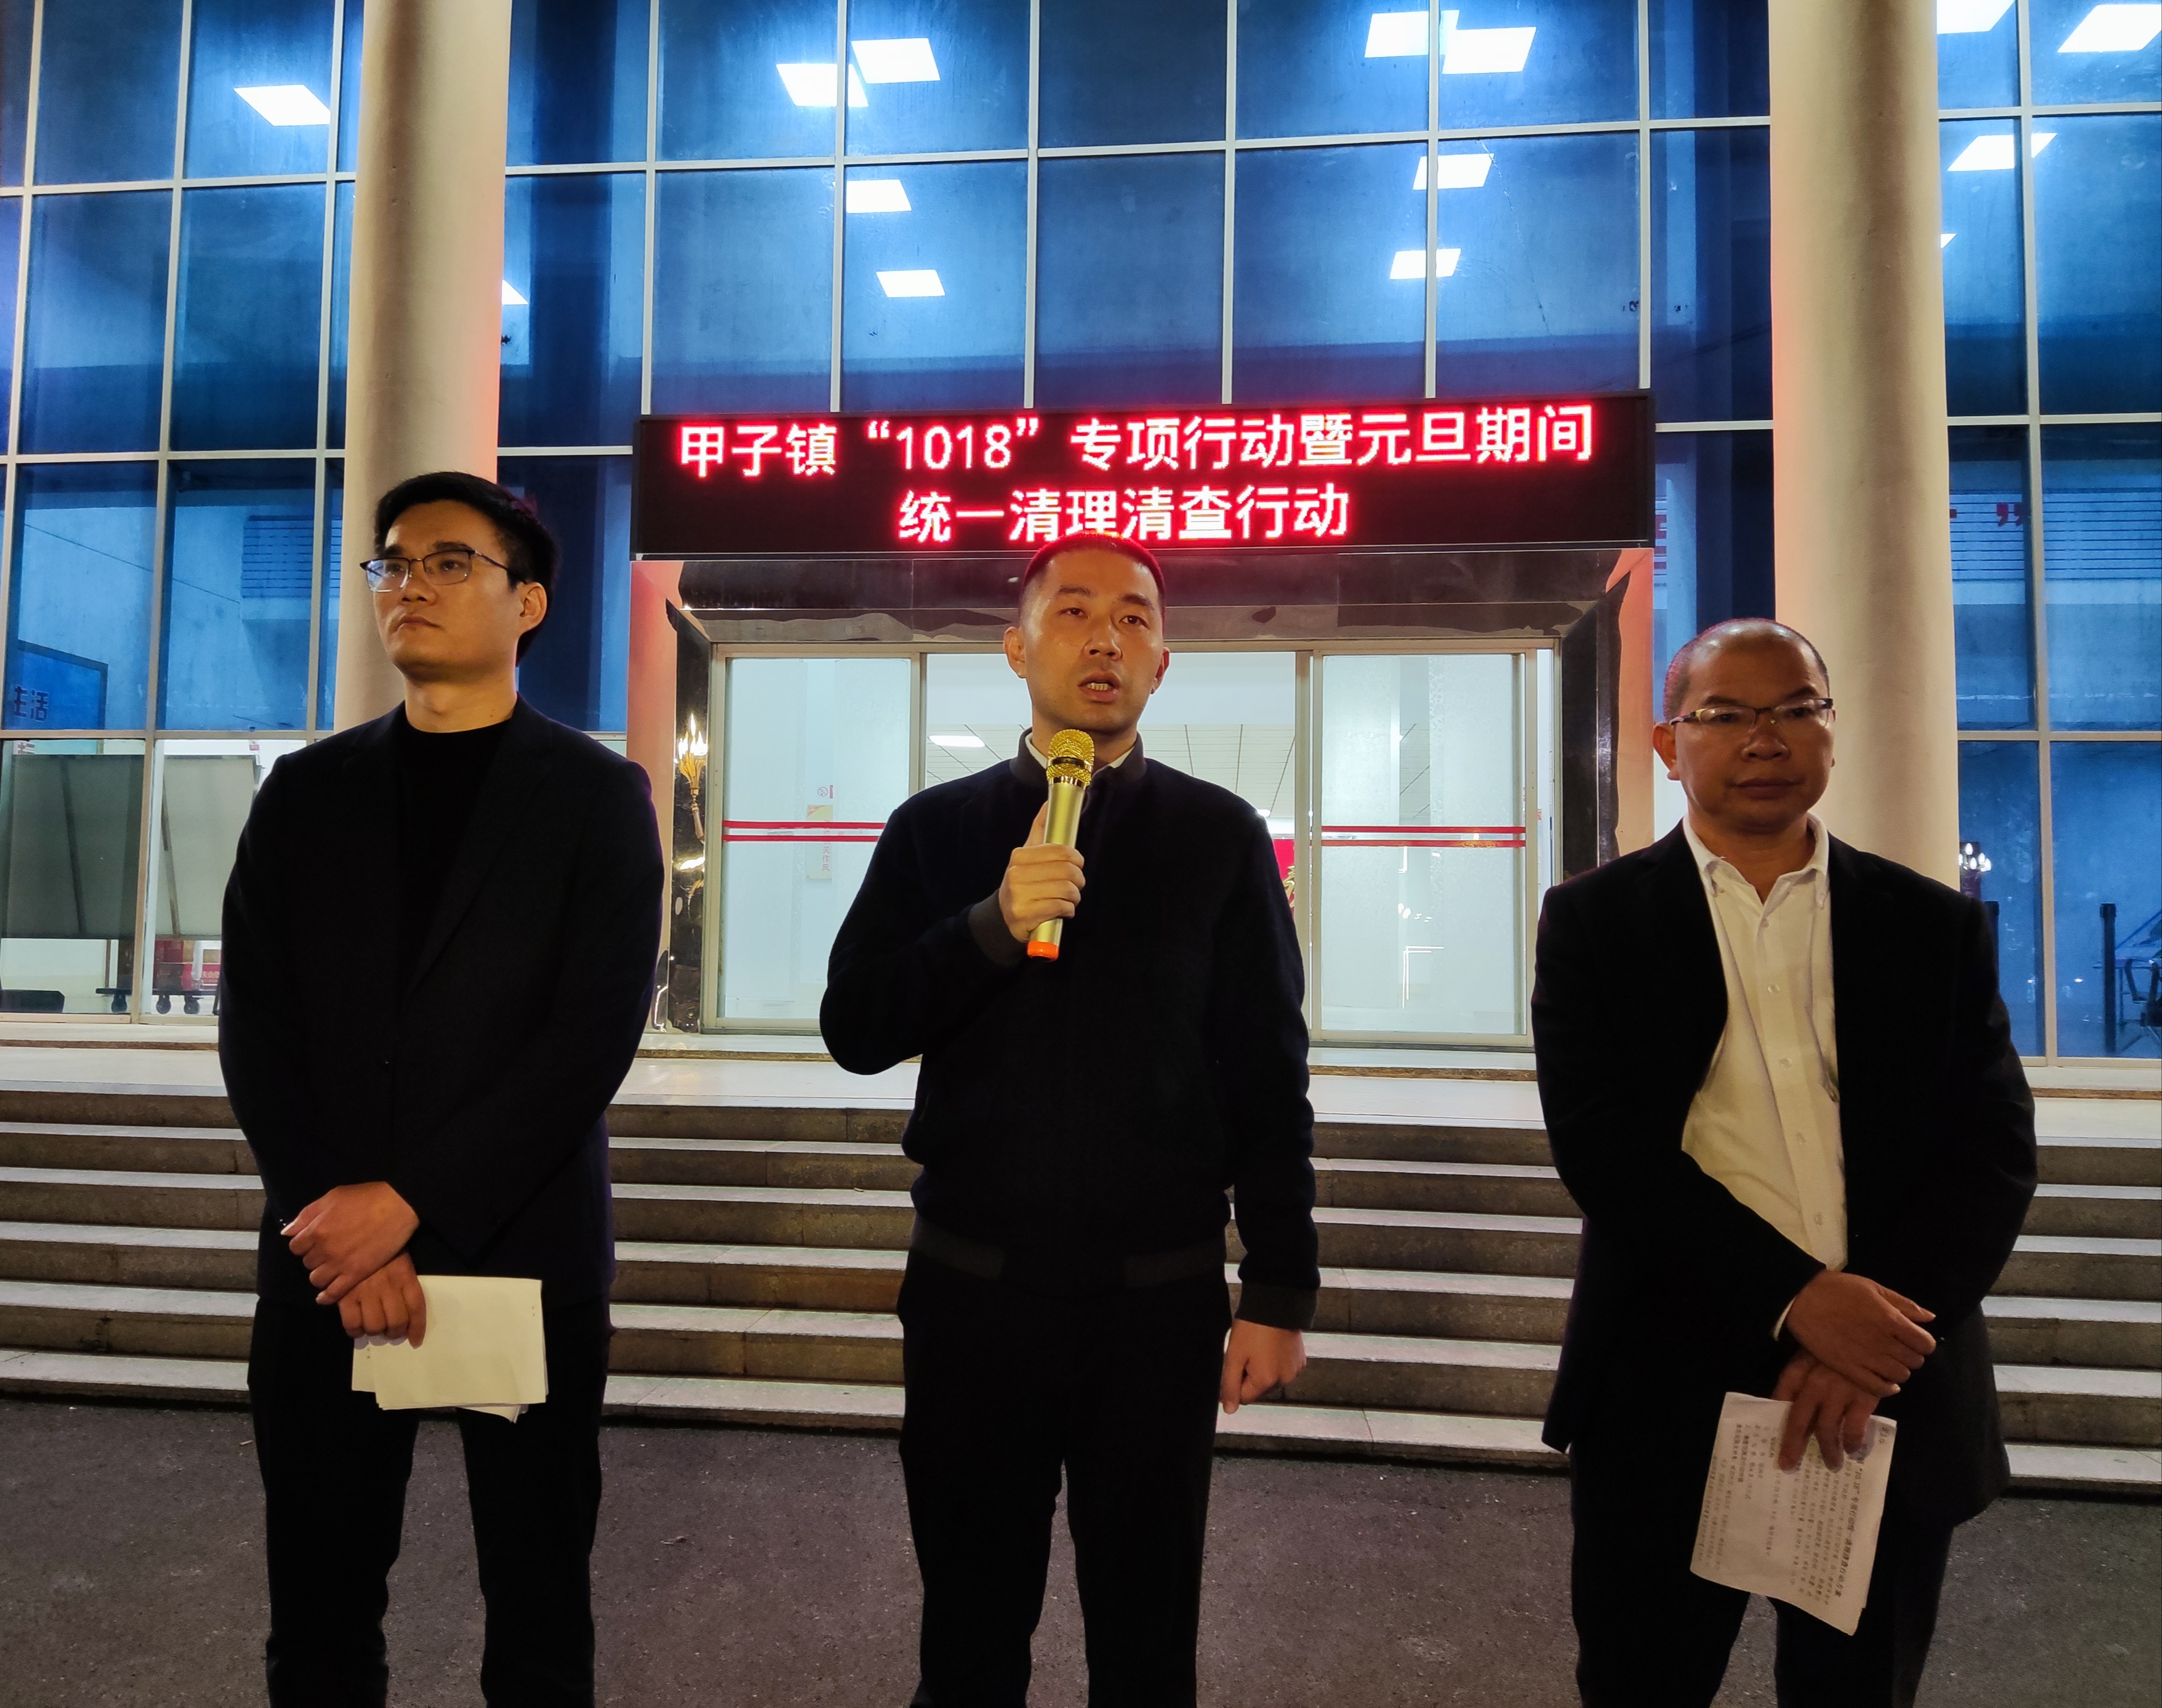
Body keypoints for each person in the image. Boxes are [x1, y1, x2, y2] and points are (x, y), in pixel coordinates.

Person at [820, 533, 1319, 1707]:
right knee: (969, 1633)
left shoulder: (1219, 836)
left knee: (1147, 1643)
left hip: (1158, 1306)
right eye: (1075, 612)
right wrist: (987, 927)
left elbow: (1266, 1070)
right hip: (971, 1298)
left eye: (1135, 618)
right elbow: (856, 1026)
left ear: (1162, 664)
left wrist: (1280, 1288)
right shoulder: (935, 829)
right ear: (1017, 647)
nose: (1106, 639)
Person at [1530, 617, 2036, 1707]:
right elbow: (1604, 1151)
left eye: (1795, 709)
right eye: (1725, 715)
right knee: (1642, 1683)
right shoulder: (1593, 923)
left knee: (1857, 1691)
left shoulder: (1929, 926)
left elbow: (1991, 1152)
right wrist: (1800, 1300)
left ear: (1831, 731)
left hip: (1885, 1388)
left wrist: (1871, 1336)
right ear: (1667, 744)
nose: (1765, 738)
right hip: (1664, 1381)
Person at [220, 470, 664, 1707]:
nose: (410, 584)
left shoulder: (597, 796)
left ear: (528, 603)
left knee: (535, 1611)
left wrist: (408, 1204)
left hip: (519, 1258)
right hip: (325, 1264)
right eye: (393, 563)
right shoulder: (306, 792)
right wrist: (336, 1217)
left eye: (450, 562)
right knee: (319, 1614)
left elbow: (588, 1038)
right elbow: (257, 1024)